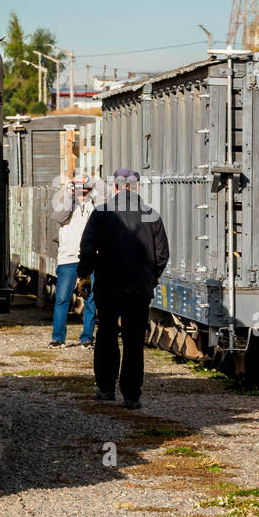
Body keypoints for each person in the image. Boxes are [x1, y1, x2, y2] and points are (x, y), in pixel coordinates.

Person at [77, 168, 169, 410]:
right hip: (139, 289)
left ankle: (106, 389)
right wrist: (152, 277)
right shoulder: (152, 215)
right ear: (137, 187)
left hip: (108, 287)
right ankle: (131, 395)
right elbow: (162, 255)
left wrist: (84, 275)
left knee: (106, 335)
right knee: (134, 340)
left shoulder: (101, 213)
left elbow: (87, 248)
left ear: (115, 187)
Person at [49, 173, 97, 349]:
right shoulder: (65, 204)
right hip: (68, 258)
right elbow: (59, 217)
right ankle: (58, 338)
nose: (80, 191)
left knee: (90, 299)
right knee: (62, 298)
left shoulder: (95, 206)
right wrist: (69, 193)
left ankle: (87, 338)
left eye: (83, 187)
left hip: (90, 258)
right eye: (77, 187)